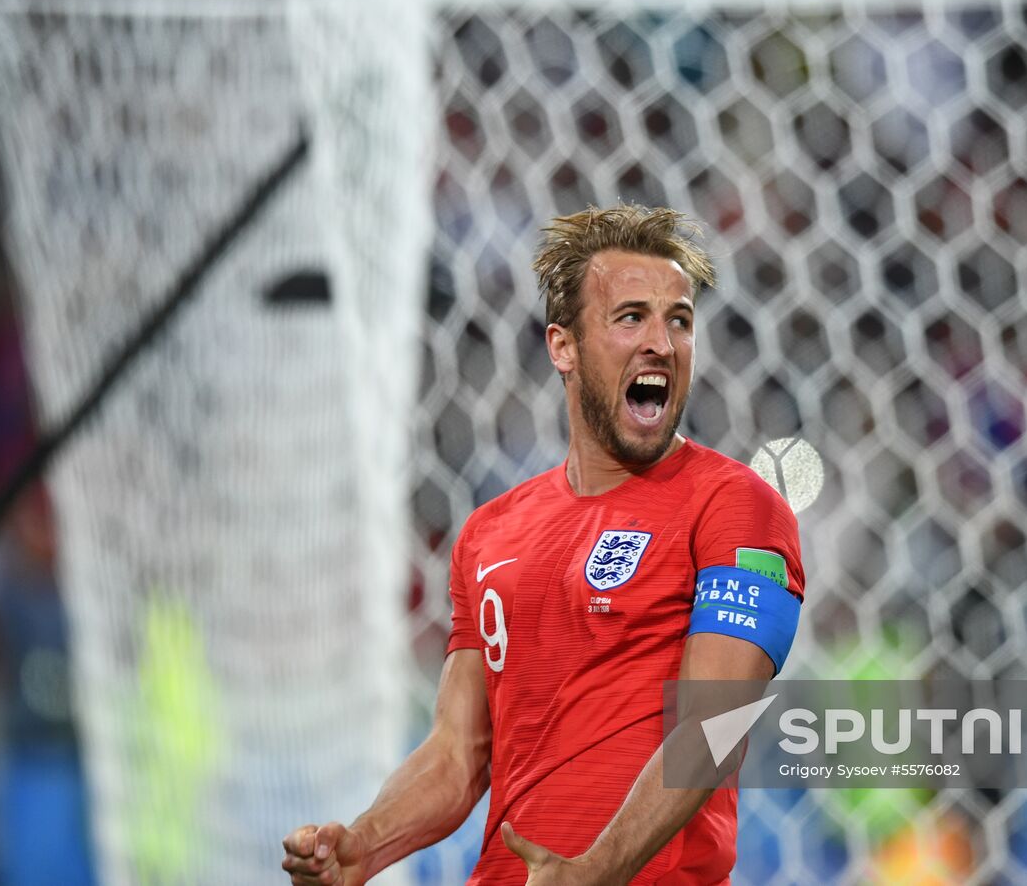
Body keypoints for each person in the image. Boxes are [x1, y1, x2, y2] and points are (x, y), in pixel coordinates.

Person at [283, 204, 806, 885]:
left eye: (679, 320)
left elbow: (716, 725)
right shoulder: (489, 534)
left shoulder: (734, 506)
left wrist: (598, 869)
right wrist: (365, 844)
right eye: (631, 318)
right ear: (563, 346)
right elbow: (457, 754)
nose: (661, 342)